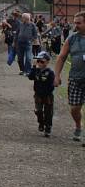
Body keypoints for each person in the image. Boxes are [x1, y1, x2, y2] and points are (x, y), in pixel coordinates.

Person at [53, 11, 85, 143]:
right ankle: (78, 125)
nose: (75, 25)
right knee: (74, 108)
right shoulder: (71, 39)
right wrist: (57, 75)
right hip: (75, 79)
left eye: (79, 23)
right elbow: (61, 57)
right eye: (75, 23)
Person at [28, 51, 55, 137]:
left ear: (47, 62)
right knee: (38, 111)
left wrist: (47, 91)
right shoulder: (36, 70)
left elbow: (52, 85)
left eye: (42, 62)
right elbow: (30, 77)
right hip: (38, 95)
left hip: (47, 95)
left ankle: (48, 127)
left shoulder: (50, 72)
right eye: (38, 61)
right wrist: (33, 66)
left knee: (48, 112)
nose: (40, 63)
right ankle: (41, 123)